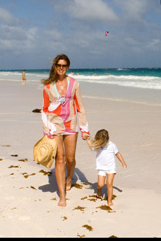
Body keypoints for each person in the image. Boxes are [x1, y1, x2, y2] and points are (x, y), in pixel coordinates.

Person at [40, 54, 90, 207]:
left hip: (71, 124)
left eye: (64, 65)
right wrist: (46, 129)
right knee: (59, 159)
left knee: (70, 159)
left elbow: (80, 106)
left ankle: (69, 178)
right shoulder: (48, 87)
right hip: (55, 126)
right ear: (55, 66)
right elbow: (45, 109)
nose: (61, 68)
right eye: (58, 65)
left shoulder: (74, 84)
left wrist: (84, 129)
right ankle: (62, 196)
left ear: (67, 67)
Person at [86, 129, 127, 208]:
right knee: (100, 184)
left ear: (106, 140)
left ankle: (109, 200)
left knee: (109, 184)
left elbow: (117, 154)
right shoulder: (98, 146)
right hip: (101, 168)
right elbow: (91, 147)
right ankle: (99, 191)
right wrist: (88, 140)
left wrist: (123, 162)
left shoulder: (112, 145)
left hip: (111, 168)